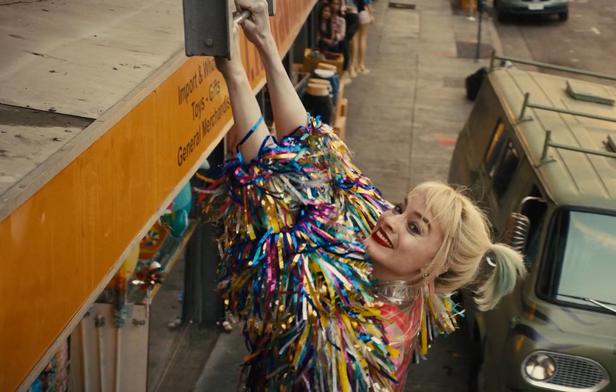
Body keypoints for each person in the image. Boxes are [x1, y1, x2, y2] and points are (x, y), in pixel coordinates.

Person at [206, 1, 524, 390]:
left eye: (416, 228)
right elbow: (321, 157)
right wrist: (266, 44)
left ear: (437, 267)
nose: (390, 221)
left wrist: (236, 75)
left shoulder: (366, 336)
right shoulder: (400, 270)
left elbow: (276, 199)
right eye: (401, 207)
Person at [352, 0, 373, 75]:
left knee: (354, 40)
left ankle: (354, 65)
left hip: (353, 10)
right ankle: (361, 64)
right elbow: (368, 2)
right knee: (363, 38)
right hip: (363, 10)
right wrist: (371, 14)